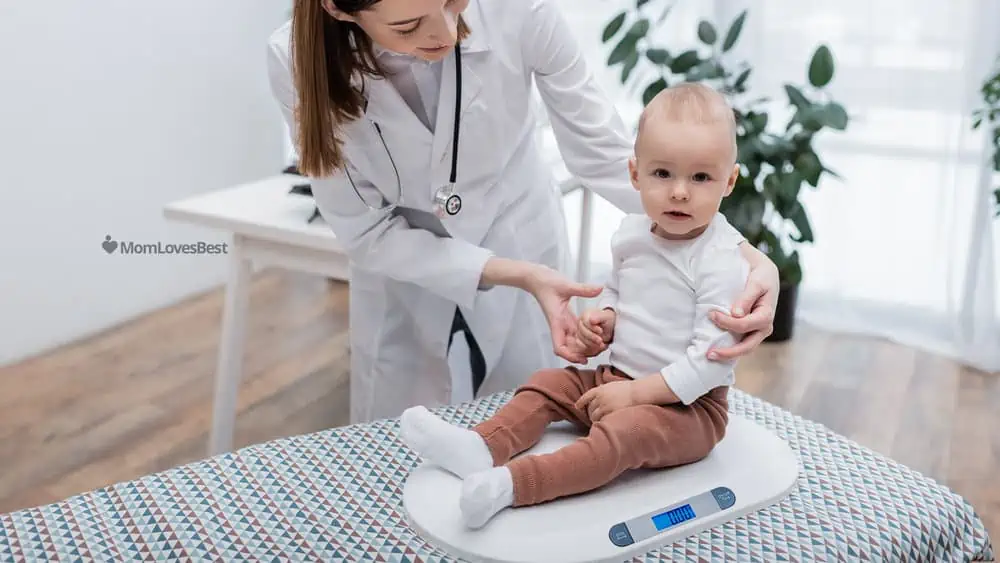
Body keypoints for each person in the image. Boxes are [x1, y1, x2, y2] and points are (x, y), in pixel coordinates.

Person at [266, 0, 780, 424]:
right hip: (406, 272)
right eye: (407, 25)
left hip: (517, 228)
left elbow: (607, 155)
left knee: (531, 421)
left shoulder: (519, 9)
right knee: (398, 445)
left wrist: (745, 257)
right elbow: (367, 232)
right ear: (338, 9)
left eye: (453, 1)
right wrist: (519, 276)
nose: (447, 31)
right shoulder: (294, 61)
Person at [399, 82, 749, 528]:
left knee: (624, 435)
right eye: (663, 174)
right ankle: (481, 447)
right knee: (548, 383)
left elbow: (711, 363)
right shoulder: (632, 234)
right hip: (616, 378)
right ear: (635, 174)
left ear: (729, 181)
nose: (680, 192)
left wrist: (635, 396)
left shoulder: (721, 261)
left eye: (701, 178)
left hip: (690, 409)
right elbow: (620, 295)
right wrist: (602, 319)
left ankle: (513, 485)